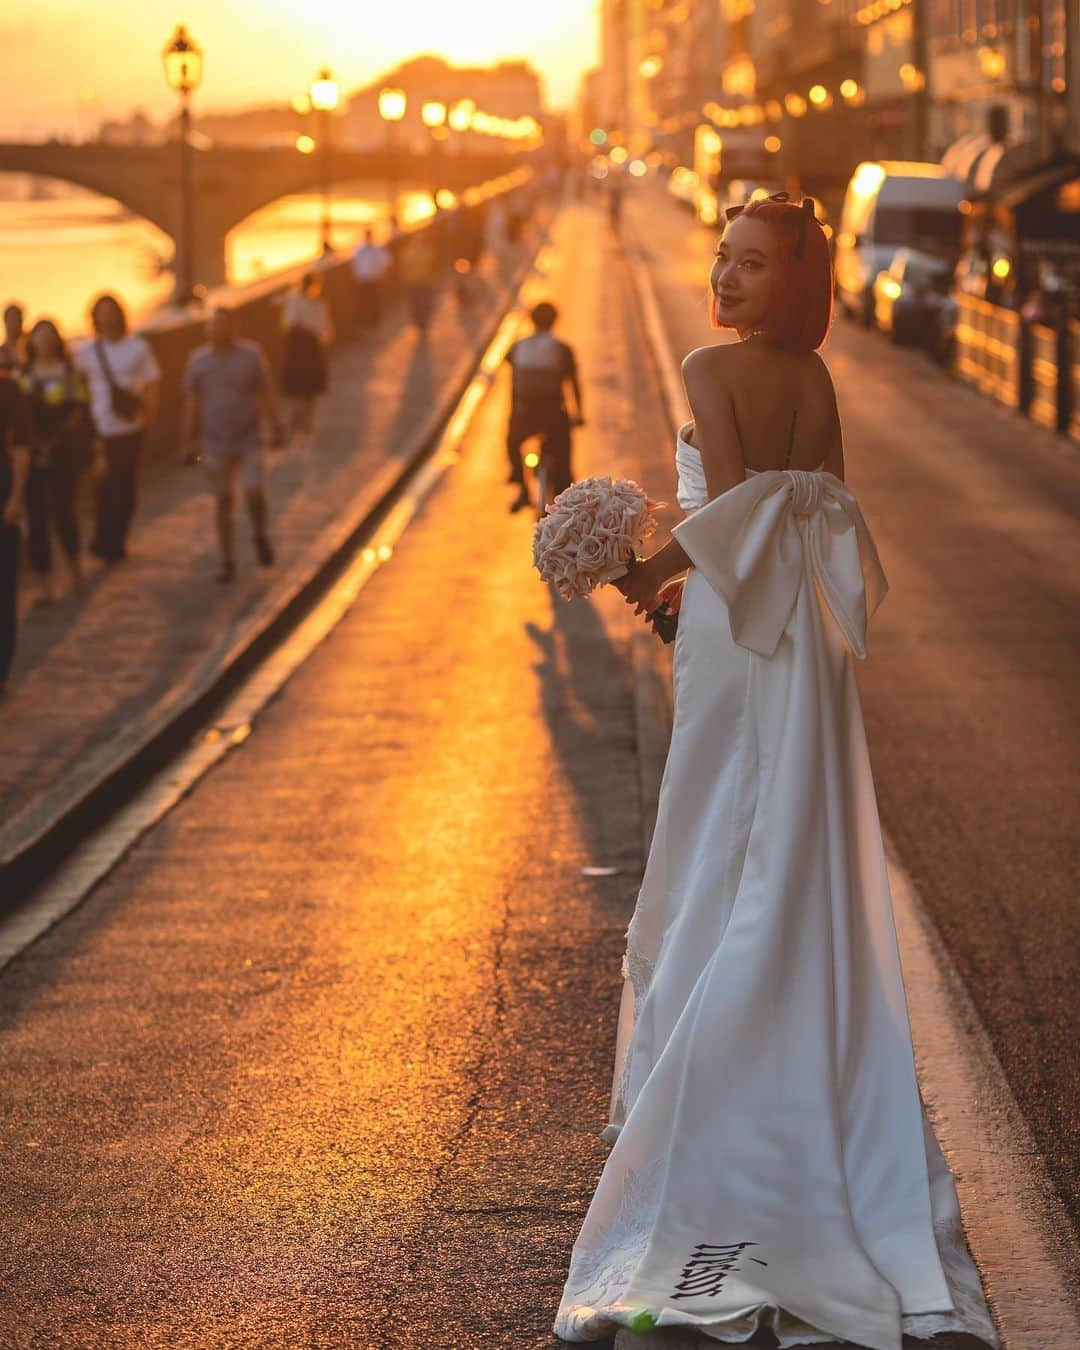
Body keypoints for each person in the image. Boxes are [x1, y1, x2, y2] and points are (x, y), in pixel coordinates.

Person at [554, 195, 999, 1349]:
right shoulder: (817, 381)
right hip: (799, 632)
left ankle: (713, 1080)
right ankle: (800, 1058)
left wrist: (643, 564)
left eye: (754, 262)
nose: (730, 273)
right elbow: (821, 506)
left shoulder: (709, 366)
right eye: (726, 256)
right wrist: (688, 568)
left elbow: (744, 502)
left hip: (732, 628)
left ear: (790, 281)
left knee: (712, 840)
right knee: (785, 839)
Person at [181, 306, 284, 584]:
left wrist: (275, 425)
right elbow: (192, 403)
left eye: (223, 325)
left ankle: (259, 533)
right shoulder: (198, 361)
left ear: (234, 328)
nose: (217, 331)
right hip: (214, 442)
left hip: (249, 437)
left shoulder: (250, 355)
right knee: (223, 500)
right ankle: (226, 559)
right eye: (213, 326)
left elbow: (265, 391)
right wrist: (187, 441)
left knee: (253, 492)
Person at [74, 294, 161, 564]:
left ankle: (117, 540)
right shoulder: (86, 352)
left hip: (129, 427)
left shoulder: (137, 347)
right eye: (101, 312)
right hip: (100, 428)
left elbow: (151, 383)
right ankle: (103, 542)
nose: (107, 317)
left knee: (125, 487)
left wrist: (149, 416)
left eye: (111, 311)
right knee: (103, 486)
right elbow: (77, 387)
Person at [21, 318, 93, 602]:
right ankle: (46, 585)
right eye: (39, 335)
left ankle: (76, 573)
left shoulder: (70, 372)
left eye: (49, 335)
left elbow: (82, 410)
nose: (44, 340)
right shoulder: (22, 375)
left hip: (62, 453)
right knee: (37, 517)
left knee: (65, 512)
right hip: (31, 455)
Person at [504, 301, 583, 514]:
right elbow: (572, 383)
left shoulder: (518, 346)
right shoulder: (561, 349)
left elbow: (513, 382)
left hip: (525, 412)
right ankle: (565, 501)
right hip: (552, 413)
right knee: (563, 456)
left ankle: (521, 485)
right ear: (554, 321)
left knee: (513, 442)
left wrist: (513, 414)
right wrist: (579, 414)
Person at [0, 370, 32, 693]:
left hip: (3, 500)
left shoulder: (9, 389)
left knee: (4, 590)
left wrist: (16, 496)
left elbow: (20, 447)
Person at [278, 272, 334, 447]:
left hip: (306, 345)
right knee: (302, 385)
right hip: (302, 345)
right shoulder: (301, 300)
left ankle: (303, 417)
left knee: (307, 386)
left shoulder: (313, 302)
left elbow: (323, 328)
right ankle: (303, 417)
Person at [349, 227, 392, 334]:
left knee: (374, 305)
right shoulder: (360, 250)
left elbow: (387, 263)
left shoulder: (376, 249)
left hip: (373, 281)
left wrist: (382, 275)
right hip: (363, 282)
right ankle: (366, 328)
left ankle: (374, 328)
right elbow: (353, 266)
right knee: (364, 305)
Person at [399, 233, 438, 337]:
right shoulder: (413, 251)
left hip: (421, 281)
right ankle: (421, 323)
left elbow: (432, 264)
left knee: (422, 303)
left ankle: (422, 323)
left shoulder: (411, 250)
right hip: (416, 281)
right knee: (419, 303)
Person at [0, 304, 26, 374]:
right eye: (12, 319)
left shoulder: (28, 351)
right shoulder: (2, 352)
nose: (15, 323)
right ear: (5, 321)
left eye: (18, 319)